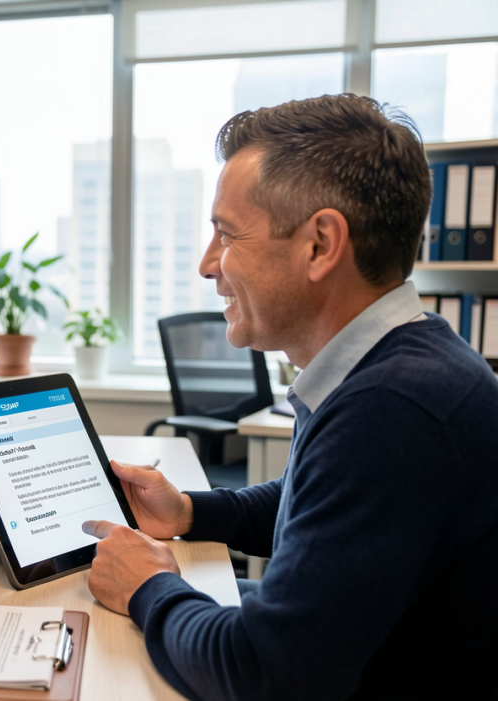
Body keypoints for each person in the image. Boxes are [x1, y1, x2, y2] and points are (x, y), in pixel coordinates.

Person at [84, 94, 498, 700]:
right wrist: (193, 513)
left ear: (320, 245)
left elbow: (264, 673)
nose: (207, 266)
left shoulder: (394, 408)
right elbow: (320, 504)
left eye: (227, 234)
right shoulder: (396, 366)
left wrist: (146, 585)